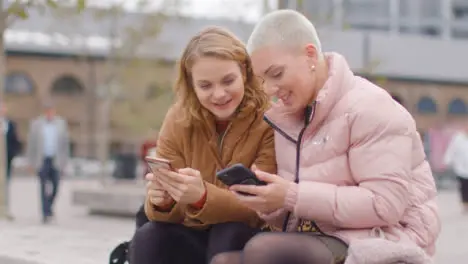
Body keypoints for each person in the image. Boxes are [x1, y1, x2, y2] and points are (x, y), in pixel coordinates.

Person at [211, 10, 440, 264]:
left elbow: (384, 206)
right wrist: (270, 203)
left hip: (384, 240)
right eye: (262, 80)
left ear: (310, 55)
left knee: (264, 249)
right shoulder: (289, 119)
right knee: (224, 258)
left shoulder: (371, 109)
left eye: (276, 74)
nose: (270, 90)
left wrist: (291, 195)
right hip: (322, 237)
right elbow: (299, 211)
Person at [129, 26, 276, 264]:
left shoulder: (269, 119)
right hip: (192, 233)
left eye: (228, 81)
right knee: (150, 237)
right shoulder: (178, 119)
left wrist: (203, 197)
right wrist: (163, 202)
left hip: (245, 235)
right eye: (205, 86)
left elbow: (263, 209)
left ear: (245, 74)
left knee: (228, 232)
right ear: (192, 85)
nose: (219, 94)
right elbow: (163, 213)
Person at [26, 101, 70, 224]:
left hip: (56, 160)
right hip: (42, 160)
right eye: (48, 111)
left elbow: (65, 145)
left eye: (52, 111)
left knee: (55, 186)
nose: (50, 113)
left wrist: (65, 162)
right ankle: (45, 213)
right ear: (45, 112)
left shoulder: (61, 124)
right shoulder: (36, 124)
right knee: (43, 186)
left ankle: (49, 207)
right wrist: (30, 162)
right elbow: (31, 145)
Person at [1, 102, 20, 220]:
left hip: (6, 161)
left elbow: (15, 142)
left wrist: (12, 155)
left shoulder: (10, 125)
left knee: (5, 185)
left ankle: (4, 208)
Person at [444, 125, 468, 212]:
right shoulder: (458, 138)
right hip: (461, 168)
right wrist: (447, 160)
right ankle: (465, 204)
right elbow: (451, 149)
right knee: (463, 186)